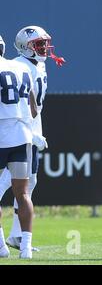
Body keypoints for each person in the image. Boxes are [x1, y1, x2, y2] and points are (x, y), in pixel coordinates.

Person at [0, 26, 65, 252]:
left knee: (30, 182)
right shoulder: (20, 66)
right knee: (9, 182)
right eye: (38, 44)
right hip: (18, 131)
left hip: (28, 129)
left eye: (45, 43)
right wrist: (33, 132)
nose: (44, 48)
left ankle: (16, 236)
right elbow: (26, 106)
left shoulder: (39, 64)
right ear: (24, 47)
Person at [0, 39, 37, 259]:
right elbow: (33, 109)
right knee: (23, 194)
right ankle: (26, 249)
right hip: (21, 138)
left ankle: (1, 248)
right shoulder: (22, 67)